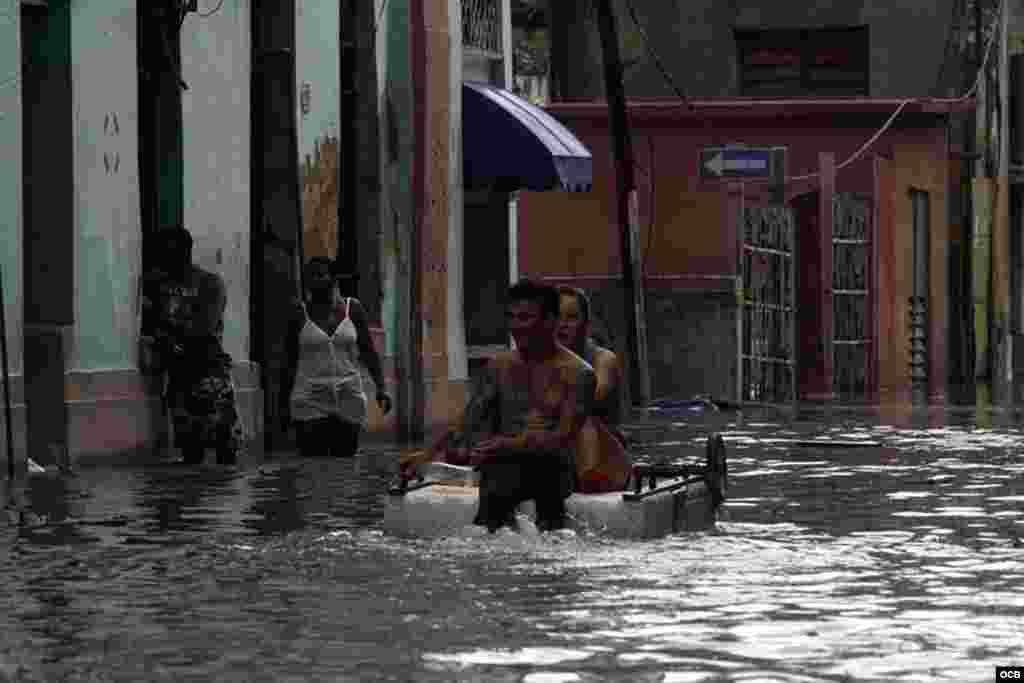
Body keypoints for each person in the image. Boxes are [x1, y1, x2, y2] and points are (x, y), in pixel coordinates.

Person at [402, 280, 595, 532]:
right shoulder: (498, 366)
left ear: (550, 321)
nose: (516, 326)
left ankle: (550, 542)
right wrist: (427, 455)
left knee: (546, 481)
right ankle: (489, 544)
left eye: (525, 317)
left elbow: (563, 438)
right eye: (511, 317)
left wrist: (508, 443)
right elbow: (467, 420)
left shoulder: (580, 374)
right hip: (504, 466)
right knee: (496, 479)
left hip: (554, 469)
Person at [139, 225, 245, 465]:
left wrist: (167, 335)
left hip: (210, 370)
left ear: (186, 251)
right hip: (179, 376)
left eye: (172, 252)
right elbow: (152, 323)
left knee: (224, 443)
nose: (167, 259)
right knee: (190, 446)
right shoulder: (157, 286)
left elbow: (204, 326)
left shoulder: (209, 283)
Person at [285, 257, 392, 458]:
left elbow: (368, 351)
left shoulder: (354, 309)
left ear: (333, 278)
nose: (315, 281)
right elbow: (289, 361)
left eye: (320, 274)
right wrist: (283, 405)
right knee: (312, 466)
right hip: (309, 397)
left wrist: (381, 389)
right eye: (310, 276)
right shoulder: (298, 312)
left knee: (344, 465)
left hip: (348, 396)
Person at [556, 285, 631, 493]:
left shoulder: (603, 359)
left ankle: (585, 479)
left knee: (580, 417)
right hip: (560, 459)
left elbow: (592, 395)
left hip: (606, 463)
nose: (562, 325)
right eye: (556, 317)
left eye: (571, 318)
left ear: (586, 326)